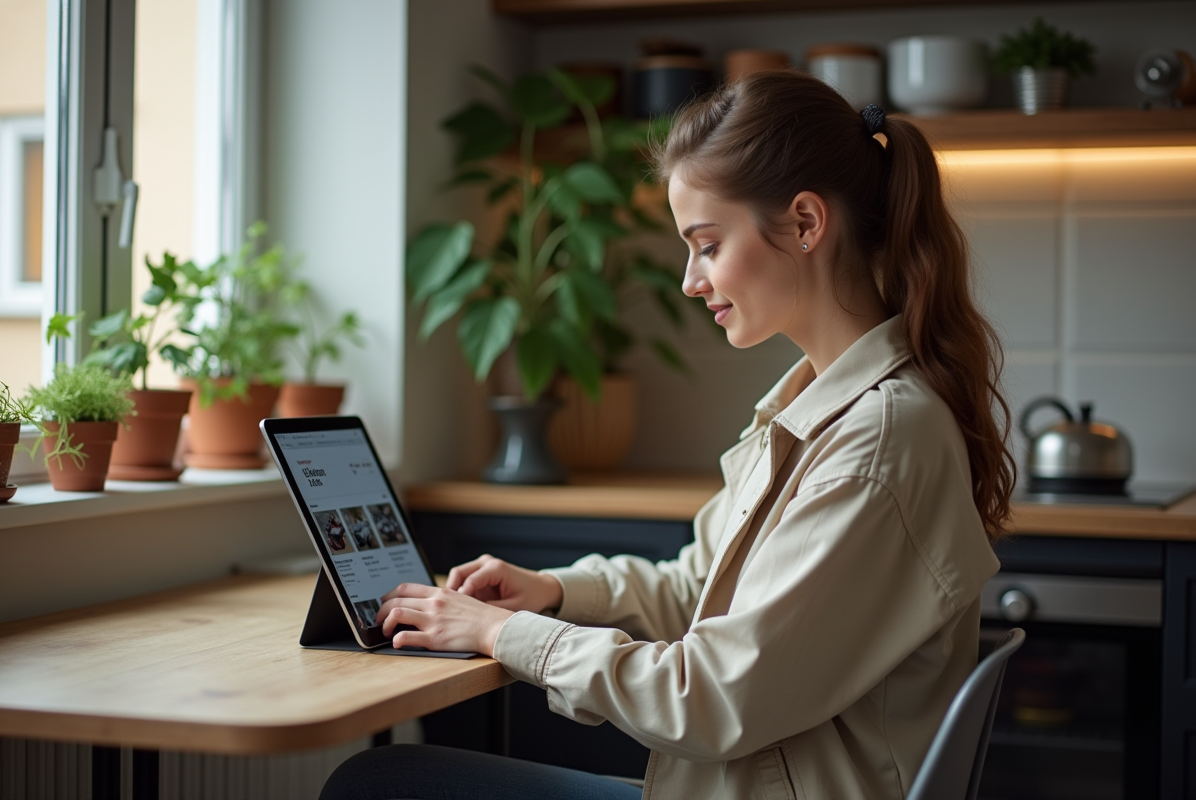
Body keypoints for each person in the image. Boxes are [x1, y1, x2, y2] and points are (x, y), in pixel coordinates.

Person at [321, 71, 1014, 800]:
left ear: (807, 224)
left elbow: (711, 696)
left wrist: (500, 636)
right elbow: (700, 589)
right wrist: (554, 592)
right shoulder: (821, 409)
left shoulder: (876, 442)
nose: (690, 279)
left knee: (379, 784)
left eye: (707, 245)